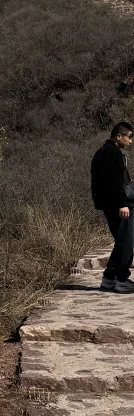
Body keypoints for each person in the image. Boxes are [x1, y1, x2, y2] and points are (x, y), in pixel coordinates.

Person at [91, 121, 134, 293]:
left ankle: (109, 278)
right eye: (129, 137)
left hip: (109, 205)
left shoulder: (101, 152)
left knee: (120, 242)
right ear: (119, 136)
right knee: (126, 242)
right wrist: (122, 204)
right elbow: (115, 182)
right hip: (119, 205)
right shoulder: (112, 153)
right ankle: (121, 280)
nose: (130, 141)